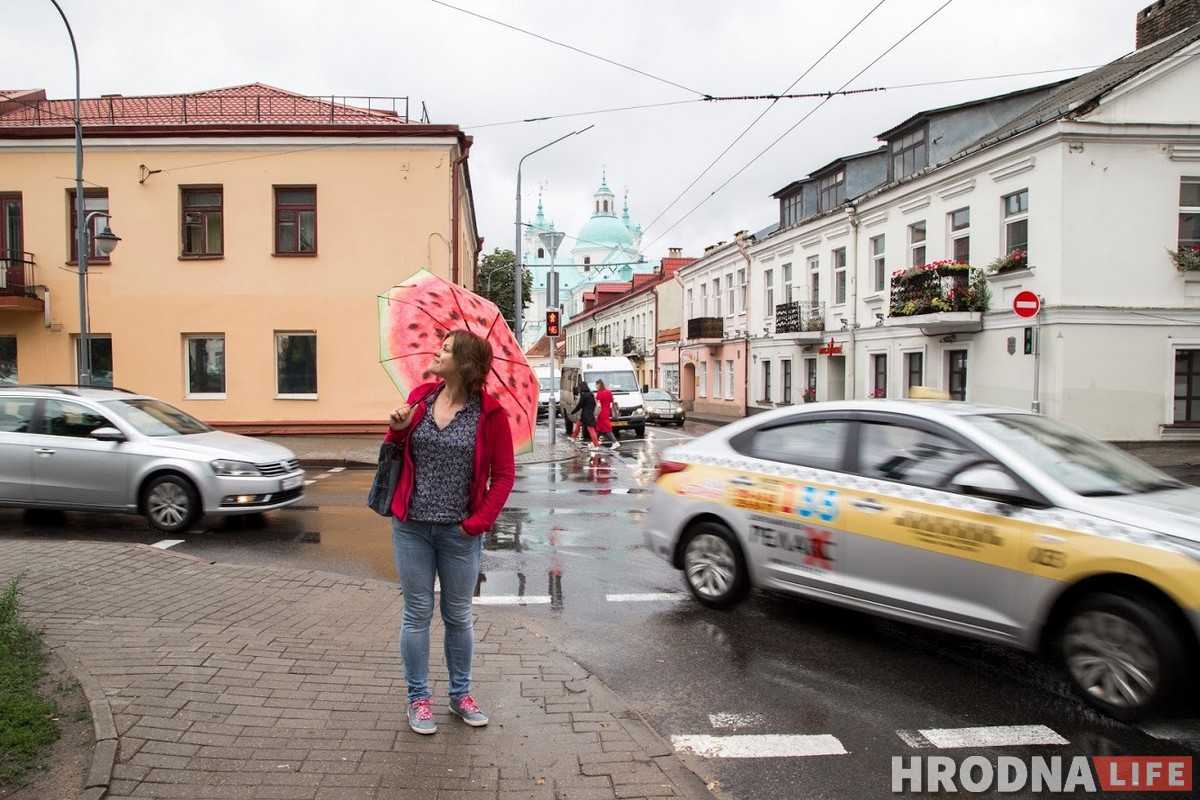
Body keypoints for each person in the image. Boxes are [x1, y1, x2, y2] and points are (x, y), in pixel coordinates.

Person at [384, 328, 515, 735]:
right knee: (416, 613)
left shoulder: (490, 415)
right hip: (411, 527)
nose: (436, 353)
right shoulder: (419, 399)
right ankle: (418, 699)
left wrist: (475, 525)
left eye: (446, 349)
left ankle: (460, 696)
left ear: (465, 364)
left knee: (457, 615)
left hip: (459, 532)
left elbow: (504, 476)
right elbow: (394, 451)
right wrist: (398, 428)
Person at [570, 379, 601, 450]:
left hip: (586, 415)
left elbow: (580, 405)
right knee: (578, 424)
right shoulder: (591, 394)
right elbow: (594, 403)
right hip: (589, 414)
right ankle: (573, 437)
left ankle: (596, 445)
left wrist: (573, 411)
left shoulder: (584, 395)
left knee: (591, 430)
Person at [593, 379, 619, 450]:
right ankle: (594, 443)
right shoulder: (608, 391)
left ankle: (615, 442)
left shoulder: (599, 393)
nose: (595, 386)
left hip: (601, 413)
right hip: (607, 412)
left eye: (596, 385)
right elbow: (611, 399)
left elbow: (597, 402)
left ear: (599, 385)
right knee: (598, 428)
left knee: (607, 429)